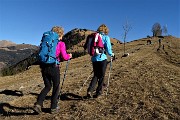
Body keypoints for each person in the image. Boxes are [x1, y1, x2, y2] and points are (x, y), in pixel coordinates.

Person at [33, 26, 72, 114]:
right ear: (60, 34)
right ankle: (53, 108)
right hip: (54, 67)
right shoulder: (61, 43)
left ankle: (38, 104)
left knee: (47, 86)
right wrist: (69, 56)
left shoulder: (46, 41)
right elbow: (65, 57)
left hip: (43, 66)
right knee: (56, 86)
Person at [84, 24, 114, 98]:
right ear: (106, 30)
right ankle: (98, 92)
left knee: (95, 75)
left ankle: (90, 90)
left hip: (94, 59)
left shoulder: (93, 37)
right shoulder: (106, 37)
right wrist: (112, 54)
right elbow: (108, 49)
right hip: (102, 58)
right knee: (101, 76)